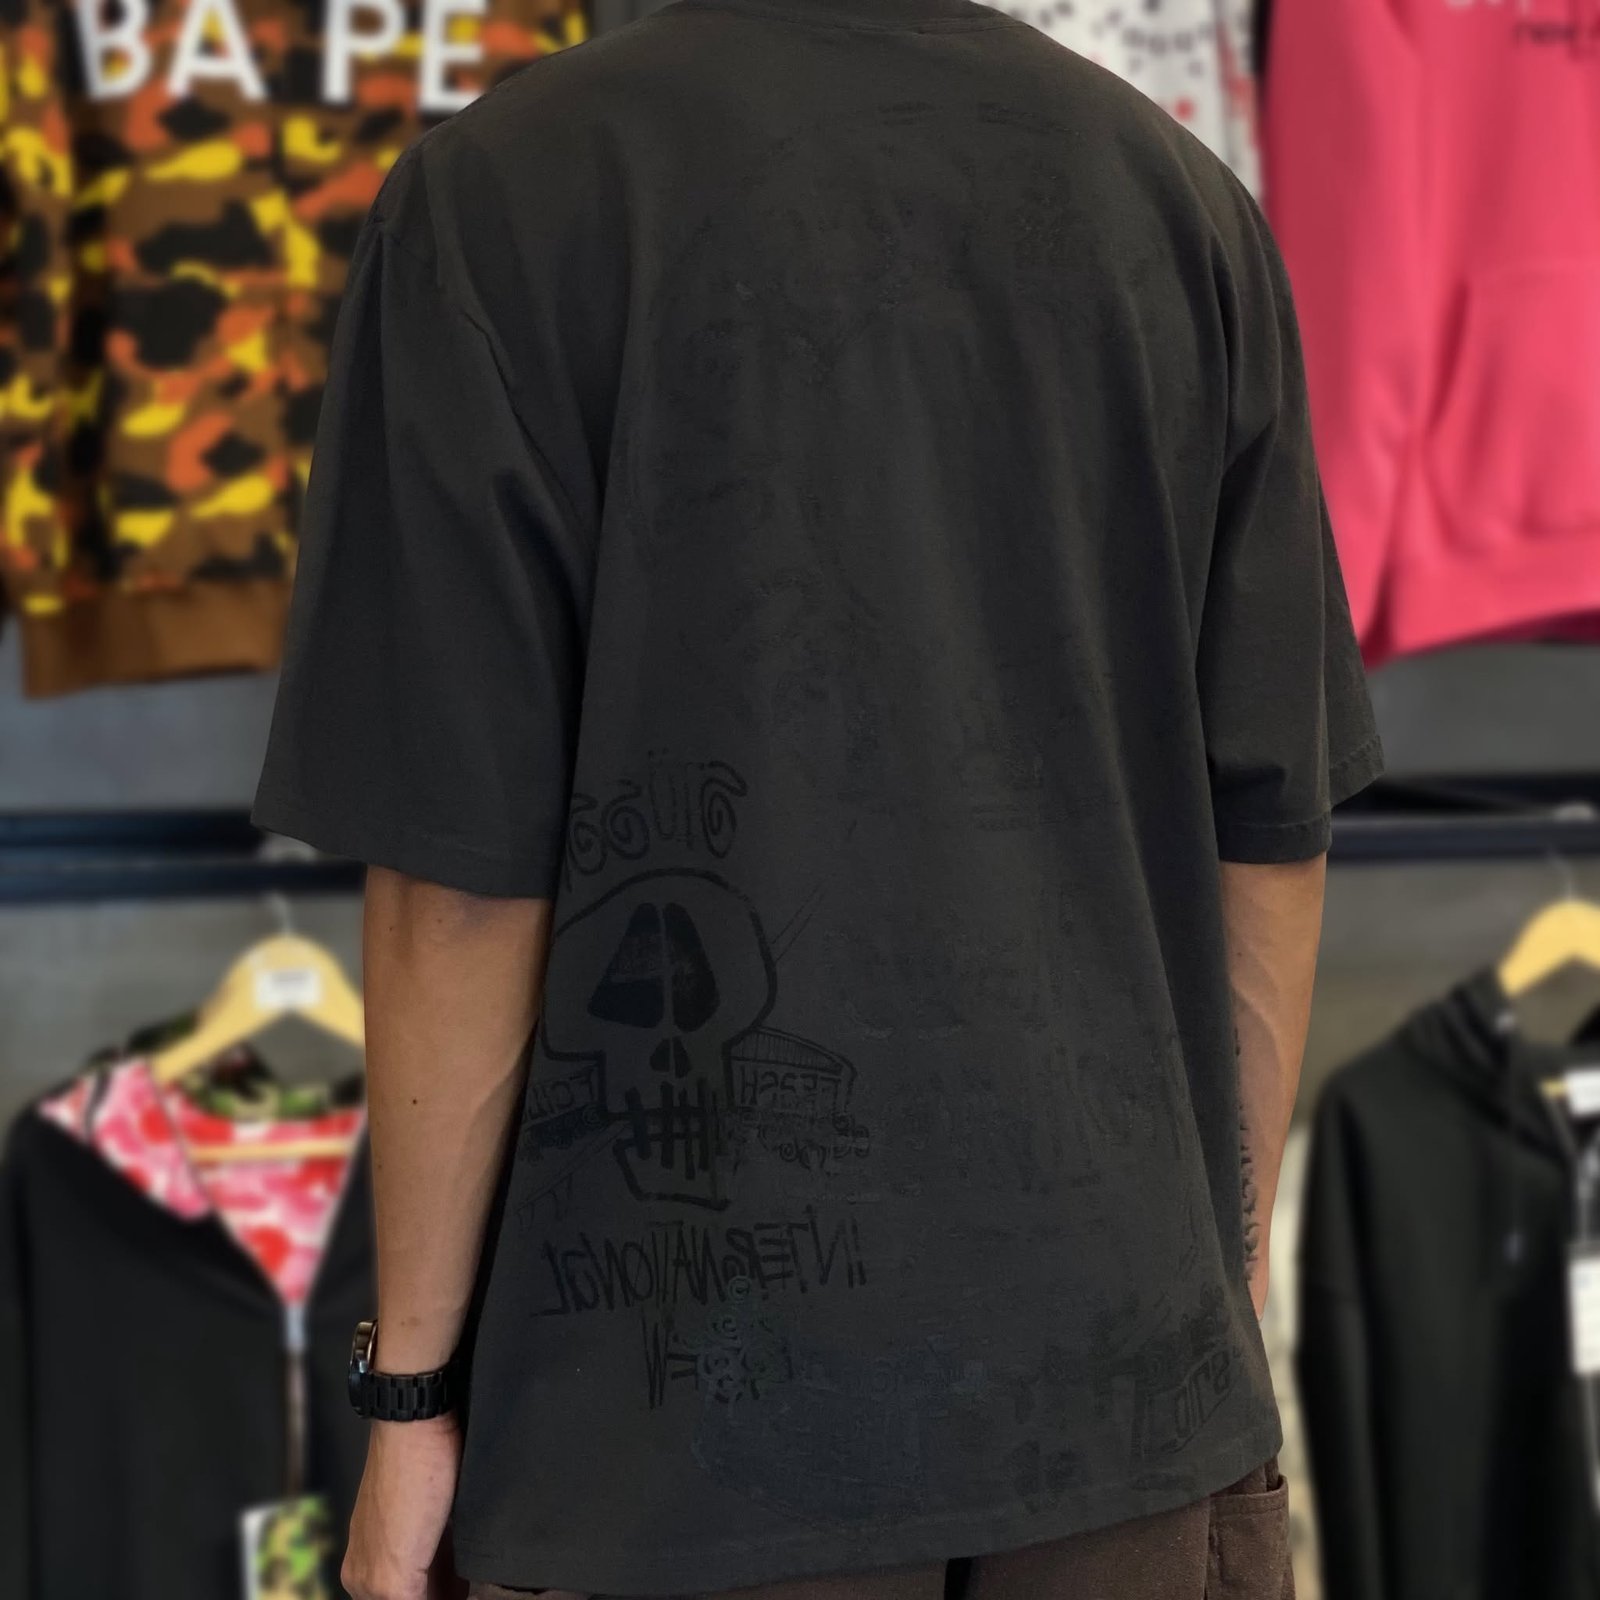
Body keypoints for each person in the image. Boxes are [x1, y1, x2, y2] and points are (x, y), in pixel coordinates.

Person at [252, 0, 1383, 1594]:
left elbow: (462, 883)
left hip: (662, 1430)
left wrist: (411, 1394)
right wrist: (1214, 1280)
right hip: (1124, 1391)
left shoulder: (500, 197)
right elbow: (1270, 827)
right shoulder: (1177, 199)